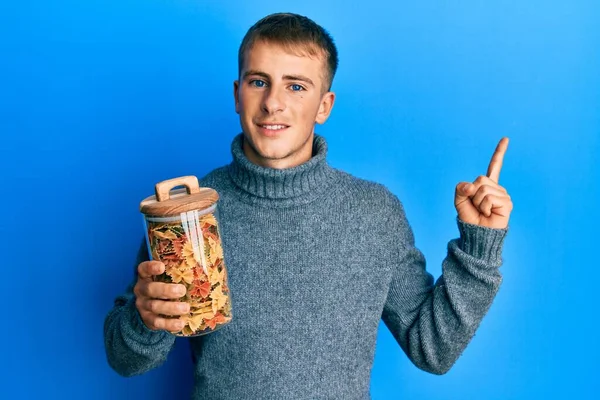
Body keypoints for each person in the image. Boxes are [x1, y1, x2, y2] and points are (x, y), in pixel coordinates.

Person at [104, 12, 513, 400]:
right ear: (237, 94)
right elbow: (126, 360)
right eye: (258, 82)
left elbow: (434, 350)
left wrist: (479, 247)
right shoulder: (189, 212)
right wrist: (144, 317)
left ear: (324, 106)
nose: (273, 103)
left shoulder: (374, 213)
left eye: (296, 86)